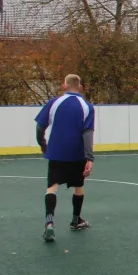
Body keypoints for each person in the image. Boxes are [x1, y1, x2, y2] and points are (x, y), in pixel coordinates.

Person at [34, 74, 96, 242]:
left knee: (52, 186)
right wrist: (89, 157)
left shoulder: (55, 102)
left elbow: (40, 127)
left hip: (57, 152)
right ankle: (76, 220)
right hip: (77, 154)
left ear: (64, 85)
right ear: (80, 86)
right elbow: (88, 134)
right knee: (79, 185)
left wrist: (43, 144)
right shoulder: (87, 106)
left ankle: (49, 223)